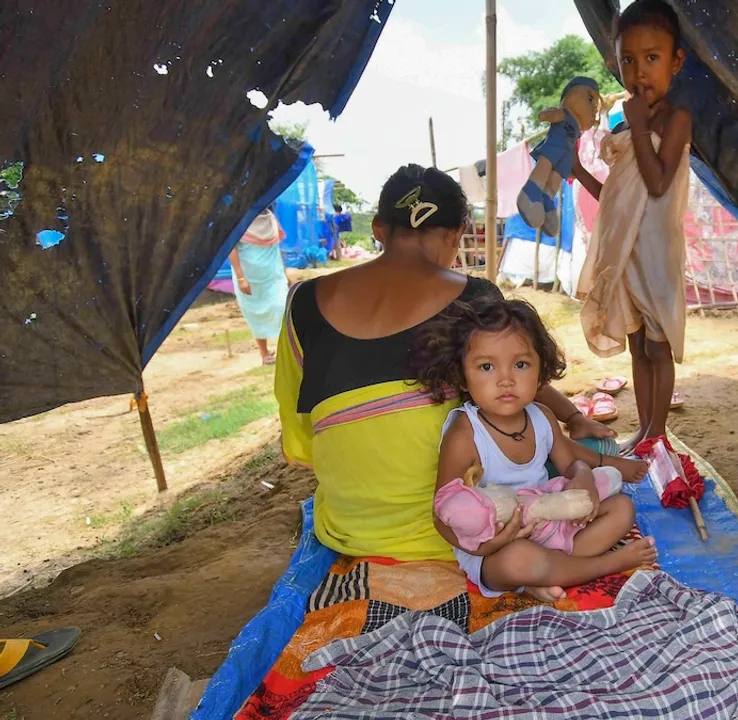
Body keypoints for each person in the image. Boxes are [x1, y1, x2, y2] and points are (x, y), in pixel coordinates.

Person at [276, 164, 645, 568]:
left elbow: (301, 432)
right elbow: (514, 379)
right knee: (522, 435)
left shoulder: (303, 303)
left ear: (379, 229)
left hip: (352, 529)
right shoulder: (474, 296)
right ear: (456, 234)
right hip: (474, 532)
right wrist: (572, 417)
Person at [413, 296, 657, 600]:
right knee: (520, 561)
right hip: (498, 545)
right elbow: (443, 513)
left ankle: (545, 576)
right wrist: (490, 545)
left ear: (540, 371)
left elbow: (571, 464)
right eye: (487, 366)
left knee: (621, 509)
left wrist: (583, 478)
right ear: (462, 377)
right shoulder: (465, 433)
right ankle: (607, 564)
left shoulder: (542, 417)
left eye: (520, 364)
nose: (505, 380)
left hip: (552, 522)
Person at [575, 0, 692, 453]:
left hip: (657, 254)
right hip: (627, 253)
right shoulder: (629, 128)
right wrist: (577, 170)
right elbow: (618, 199)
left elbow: (659, 183)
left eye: (652, 58)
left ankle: (659, 434)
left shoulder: (675, 119)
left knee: (658, 347)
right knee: (639, 346)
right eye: (628, 60)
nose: (639, 71)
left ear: (675, 62)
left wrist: (641, 128)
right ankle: (643, 430)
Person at [228, 207, 289, 365]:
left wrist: (284, 272)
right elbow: (230, 248)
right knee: (256, 315)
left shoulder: (270, 218)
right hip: (249, 279)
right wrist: (241, 277)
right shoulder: (239, 220)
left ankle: (287, 350)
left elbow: (276, 248)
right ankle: (264, 354)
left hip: (273, 276)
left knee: (282, 307)